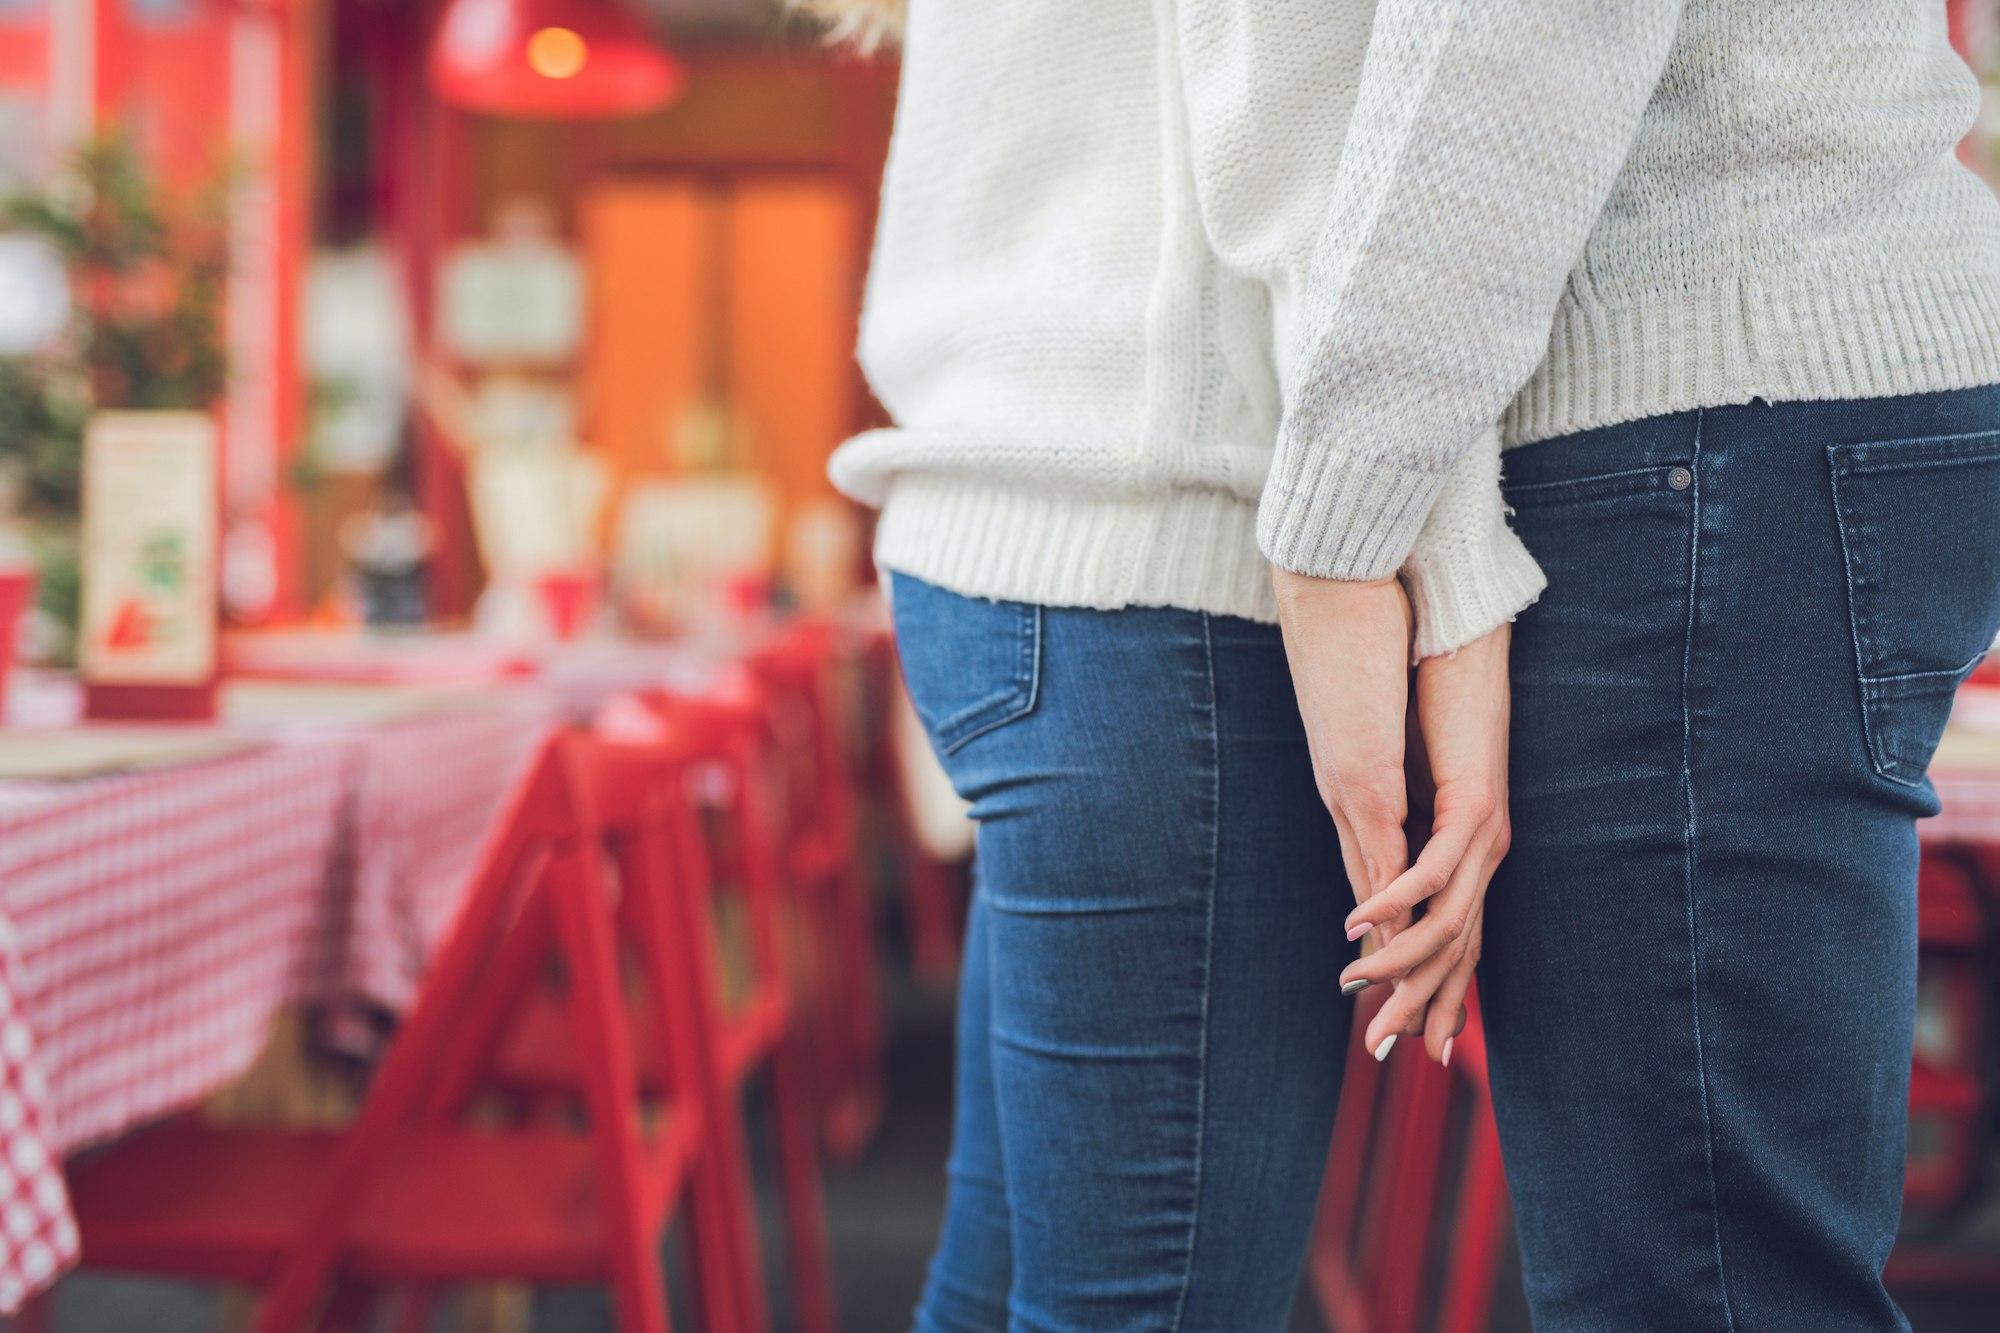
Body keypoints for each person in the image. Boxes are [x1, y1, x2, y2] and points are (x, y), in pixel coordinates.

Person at [815, 0, 2000, 1328]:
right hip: (1160, 514)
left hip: (1022, 501)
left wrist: (1375, 532)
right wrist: (1426, 553)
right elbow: (1299, 59)